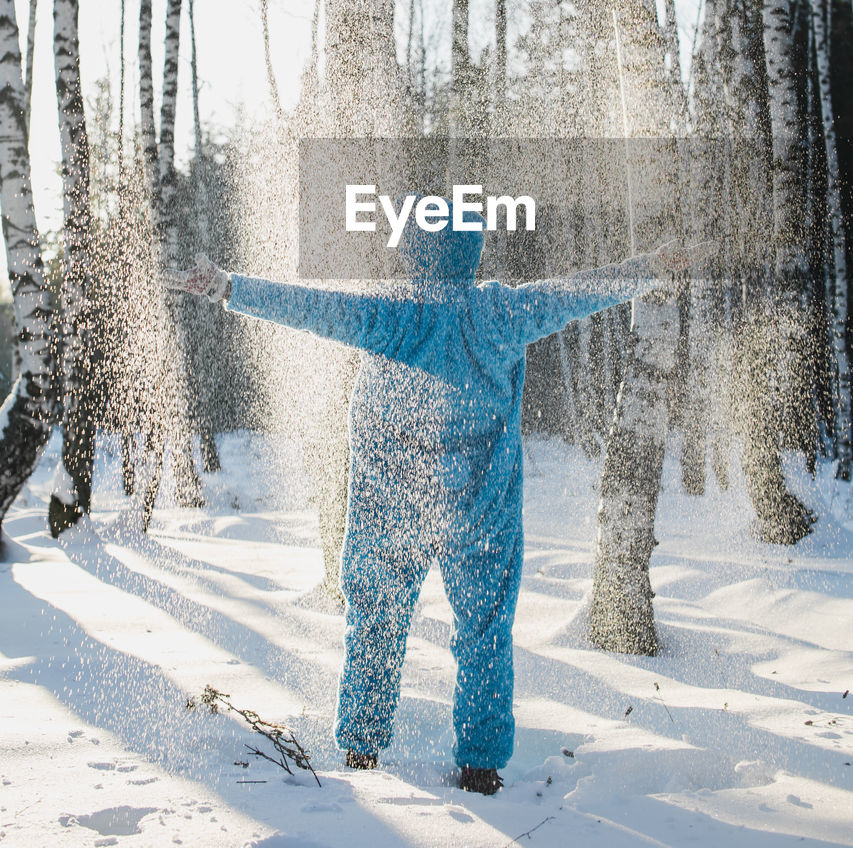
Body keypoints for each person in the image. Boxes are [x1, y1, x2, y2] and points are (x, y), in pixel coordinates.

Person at [167, 208, 709, 795]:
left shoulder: (392, 311)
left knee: (376, 621)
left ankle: (361, 749)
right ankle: (480, 765)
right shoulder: (501, 312)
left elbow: (311, 307)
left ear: (414, 254)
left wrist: (229, 288)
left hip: (391, 508)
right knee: (484, 629)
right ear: (471, 253)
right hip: (480, 511)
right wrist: (651, 267)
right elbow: (580, 292)